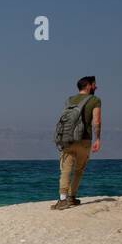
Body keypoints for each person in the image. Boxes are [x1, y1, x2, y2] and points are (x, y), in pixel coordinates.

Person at [52, 77, 101, 210]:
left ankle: (62, 200)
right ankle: (72, 197)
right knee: (79, 170)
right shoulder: (94, 100)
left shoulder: (69, 100)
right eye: (94, 85)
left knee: (65, 170)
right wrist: (97, 138)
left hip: (67, 139)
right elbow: (96, 121)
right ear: (88, 86)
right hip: (84, 140)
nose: (96, 87)